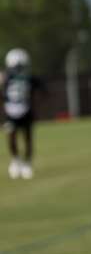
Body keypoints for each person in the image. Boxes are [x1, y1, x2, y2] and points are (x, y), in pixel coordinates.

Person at [4, 48, 43, 180]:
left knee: (28, 139)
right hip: (10, 112)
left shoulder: (30, 78)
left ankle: (27, 164)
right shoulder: (5, 78)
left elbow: (41, 89)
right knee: (11, 138)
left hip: (26, 111)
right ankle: (16, 161)